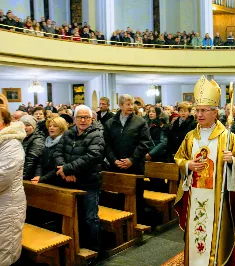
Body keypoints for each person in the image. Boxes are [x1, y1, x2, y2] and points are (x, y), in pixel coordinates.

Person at [174, 76, 235, 265]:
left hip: (218, 199)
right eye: (198, 110)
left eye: (204, 111)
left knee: (215, 238)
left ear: (215, 113)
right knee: (196, 234)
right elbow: (179, 158)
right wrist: (188, 165)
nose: (199, 114)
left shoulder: (227, 137)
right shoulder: (190, 137)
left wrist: (233, 161)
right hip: (195, 195)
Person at [53, 105, 104, 252]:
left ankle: (95, 250)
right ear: (74, 119)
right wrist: (64, 171)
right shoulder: (68, 133)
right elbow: (58, 152)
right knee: (75, 215)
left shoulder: (97, 135)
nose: (83, 120)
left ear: (91, 119)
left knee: (90, 218)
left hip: (89, 182)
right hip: (69, 181)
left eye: (86, 117)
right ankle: (77, 246)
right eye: (80, 117)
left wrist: (67, 169)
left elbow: (92, 157)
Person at [103, 94, 153, 222]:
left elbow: (145, 143)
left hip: (135, 166)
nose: (131, 107)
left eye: (132, 104)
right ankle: (123, 223)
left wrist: (132, 160)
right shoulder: (110, 122)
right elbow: (106, 144)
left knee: (137, 196)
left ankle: (138, 222)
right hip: (117, 165)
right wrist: (113, 160)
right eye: (127, 104)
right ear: (120, 106)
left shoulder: (140, 122)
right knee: (120, 196)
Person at [0, 108, 26, 265]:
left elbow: (3, 176)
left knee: (5, 248)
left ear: (6, 123)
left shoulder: (11, 144)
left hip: (8, 204)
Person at [32, 117, 68, 185]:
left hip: (57, 181)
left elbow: (59, 166)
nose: (51, 128)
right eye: (50, 126)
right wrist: (38, 175)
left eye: (55, 126)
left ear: (61, 128)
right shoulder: (47, 141)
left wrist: (42, 178)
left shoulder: (65, 143)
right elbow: (40, 162)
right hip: (43, 180)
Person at [20, 115, 45, 180]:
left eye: (28, 125)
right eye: (22, 125)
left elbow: (31, 160)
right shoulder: (23, 137)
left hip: (30, 176)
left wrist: (22, 176)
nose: (24, 127)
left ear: (34, 127)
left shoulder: (38, 139)